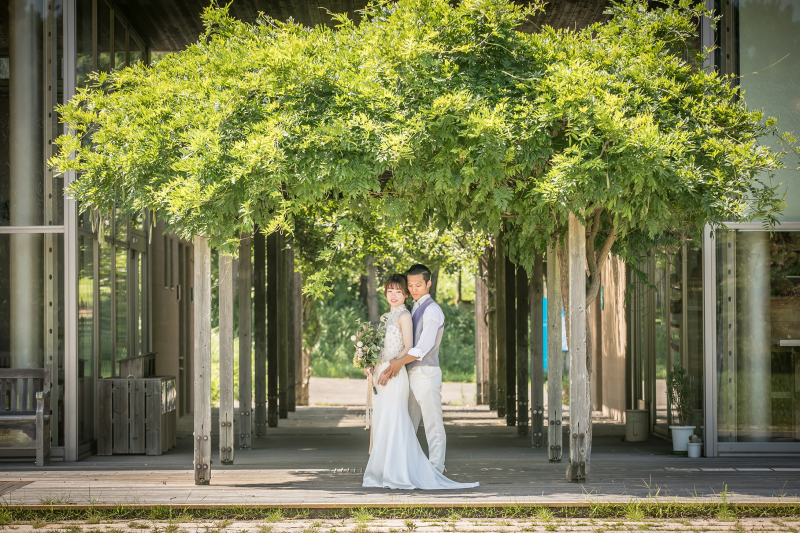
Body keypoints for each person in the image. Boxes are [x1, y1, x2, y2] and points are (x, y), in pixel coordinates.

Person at [362, 273, 478, 490]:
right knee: (398, 423)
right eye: (391, 290)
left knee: (427, 422)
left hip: (417, 372)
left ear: (428, 284)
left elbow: (418, 348)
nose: (412, 290)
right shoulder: (399, 313)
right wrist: (371, 361)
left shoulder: (428, 311)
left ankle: (433, 469)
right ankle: (390, 468)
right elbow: (386, 345)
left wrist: (393, 366)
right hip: (395, 372)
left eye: (415, 286)